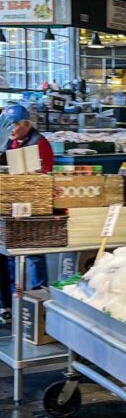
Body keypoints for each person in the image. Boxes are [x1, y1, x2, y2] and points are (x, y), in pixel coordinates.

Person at [1, 104, 54, 292]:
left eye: (13, 125)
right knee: (11, 253)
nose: (10, 130)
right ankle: (15, 297)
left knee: (34, 253)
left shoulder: (40, 142)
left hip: (34, 205)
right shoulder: (9, 141)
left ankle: (39, 295)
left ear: (26, 124)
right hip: (12, 204)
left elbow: (47, 175)